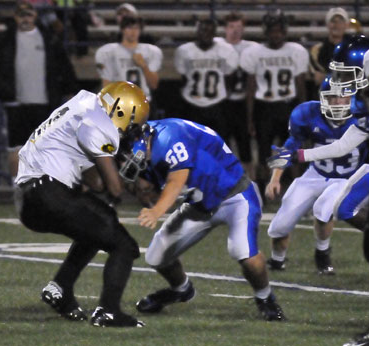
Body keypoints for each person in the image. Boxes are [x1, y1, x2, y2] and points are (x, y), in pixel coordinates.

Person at [265, 34, 369, 346]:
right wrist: (288, 165)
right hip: (335, 170)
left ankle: (329, 252)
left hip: (354, 171)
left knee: (336, 207)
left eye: (345, 76)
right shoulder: (344, 106)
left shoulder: (365, 101)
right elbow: (332, 145)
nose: (340, 89)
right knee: (322, 212)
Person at [119, 118, 286, 322]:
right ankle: (181, 290)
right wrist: (144, 190)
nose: (127, 157)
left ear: (138, 136)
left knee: (243, 252)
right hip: (199, 205)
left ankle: (265, 297)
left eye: (128, 150)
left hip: (234, 195)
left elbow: (177, 179)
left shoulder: (169, 136)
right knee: (156, 256)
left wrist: (157, 211)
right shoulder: (148, 143)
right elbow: (156, 184)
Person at [14, 81, 149, 327]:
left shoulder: (83, 104)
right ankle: (109, 311)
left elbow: (93, 180)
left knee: (98, 221)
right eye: (131, 122)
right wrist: (129, 181)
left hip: (30, 197)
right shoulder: (98, 123)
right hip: (49, 193)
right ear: (121, 111)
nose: (130, 130)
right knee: (124, 246)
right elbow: (114, 187)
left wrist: (111, 178)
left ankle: (61, 288)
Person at [266, 76, 369, 274]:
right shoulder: (307, 113)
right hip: (315, 174)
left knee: (324, 209)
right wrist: (275, 178)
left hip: (347, 178)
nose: (339, 102)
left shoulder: (364, 117)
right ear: (323, 98)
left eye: (344, 97)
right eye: (333, 97)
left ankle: (322, 253)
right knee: (280, 226)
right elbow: (289, 147)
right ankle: (277, 260)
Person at [0, 1, 77, 179]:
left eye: (29, 15)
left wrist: (72, 90)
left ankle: (42, 191)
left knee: (44, 148)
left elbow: (64, 66)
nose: (25, 19)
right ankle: (18, 189)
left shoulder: (49, 39)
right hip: (15, 102)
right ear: (16, 17)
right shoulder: (4, 39)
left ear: (35, 16)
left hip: (44, 103)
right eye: (22, 15)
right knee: (17, 148)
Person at [240, 9, 309, 199]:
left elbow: (300, 85)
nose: (275, 34)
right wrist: (250, 119)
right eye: (272, 30)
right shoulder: (254, 52)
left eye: (279, 30)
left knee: (293, 151)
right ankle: (263, 193)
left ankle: (298, 193)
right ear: (265, 31)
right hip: (265, 106)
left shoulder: (296, 51)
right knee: (263, 154)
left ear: (285, 31)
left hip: (288, 106)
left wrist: (303, 114)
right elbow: (251, 89)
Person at [174, 18, 238, 141]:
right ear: (197, 32)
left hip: (217, 103)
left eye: (209, 31)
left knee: (219, 144)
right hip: (192, 103)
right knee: (191, 143)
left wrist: (223, 96)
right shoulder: (185, 50)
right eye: (203, 31)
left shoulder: (226, 50)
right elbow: (183, 78)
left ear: (214, 33)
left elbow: (229, 77)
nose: (206, 34)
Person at [214, 12, 258, 179]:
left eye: (239, 27)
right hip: (221, 102)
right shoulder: (216, 45)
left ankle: (251, 183)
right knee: (221, 144)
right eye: (232, 27)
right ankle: (222, 182)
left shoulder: (251, 48)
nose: (235, 31)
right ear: (225, 29)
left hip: (243, 102)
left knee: (245, 145)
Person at [95, 15, 163, 119]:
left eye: (136, 28)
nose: (133, 31)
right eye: (129, 27)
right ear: (122, 29)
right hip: (120, 106)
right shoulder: (110, 52)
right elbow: (105, 88)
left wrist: (143, 65)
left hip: (144, 104)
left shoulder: (150, 51)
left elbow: (154, 84)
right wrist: (114, 108)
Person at [309, 7, 349, 91]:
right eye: (333, 21)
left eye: (340, 21)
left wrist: (328, 77)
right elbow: (318, 79)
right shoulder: (317, 50)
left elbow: (358, 77)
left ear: (346, 25)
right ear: (327, 24)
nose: (336, 25)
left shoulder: (353, 48)